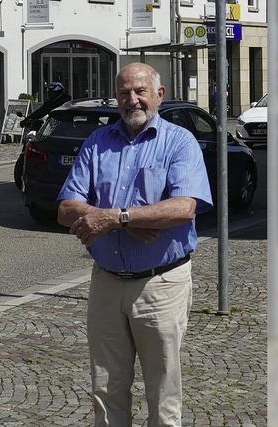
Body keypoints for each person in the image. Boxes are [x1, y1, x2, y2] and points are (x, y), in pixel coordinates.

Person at [57, 63, 213, 426]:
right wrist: (131, 220)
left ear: (159, 95)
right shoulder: (98, 143)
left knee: (162, 392)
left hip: (161, 284)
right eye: (125, 93)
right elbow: (67, 207)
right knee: (106, 388)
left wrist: (116, 219)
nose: (133, 100)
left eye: (140, 91)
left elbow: (184, 207)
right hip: (107, 282)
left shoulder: (179, 142)